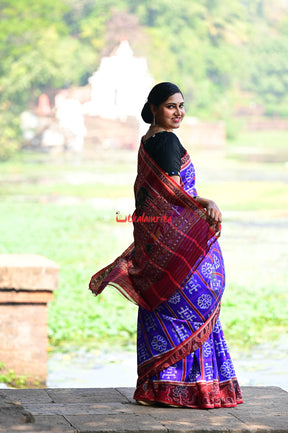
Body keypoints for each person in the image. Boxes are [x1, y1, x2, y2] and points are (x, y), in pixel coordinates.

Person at [89, 82, 243, 409]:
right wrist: (206, 202)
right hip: (179, 247)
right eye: (171, 106)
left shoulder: (147, 142)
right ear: (155, 108)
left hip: (158, 243)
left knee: (163, 308)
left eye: (182, 106)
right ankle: (194, 388)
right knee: (188, 307)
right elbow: (174, 193)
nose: (178, 112)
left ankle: (161, 388)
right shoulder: (166, 140)